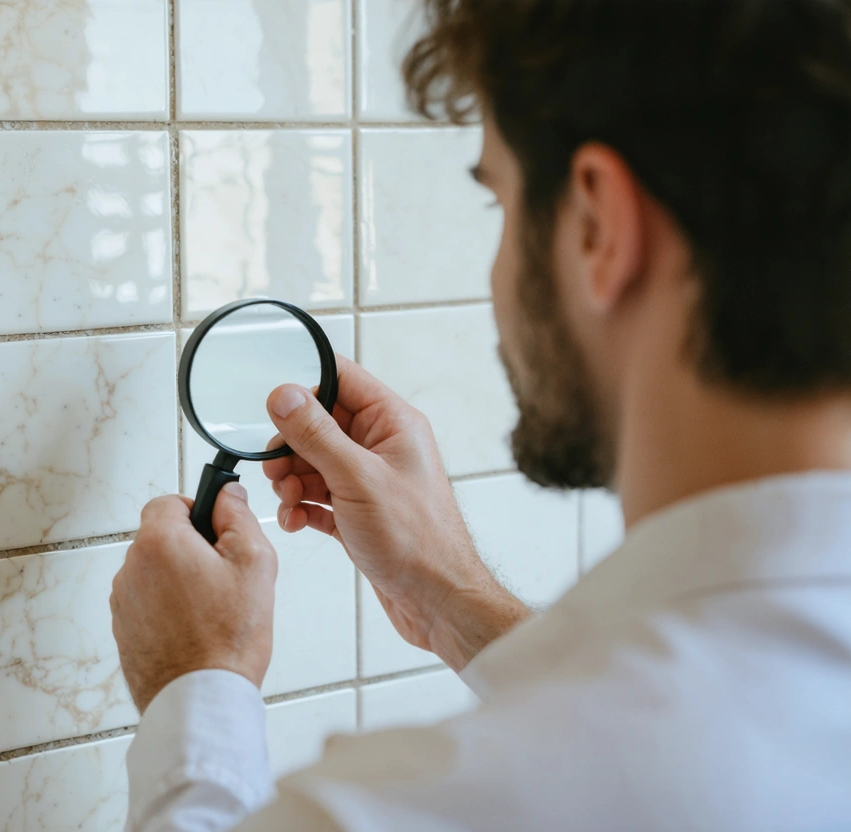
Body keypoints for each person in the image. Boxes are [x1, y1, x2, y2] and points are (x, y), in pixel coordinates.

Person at [108, 1, 851, 829]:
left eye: (500, 205)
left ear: (598, 227)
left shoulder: (435, 804)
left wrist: (195, 685)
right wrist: (447, 594)